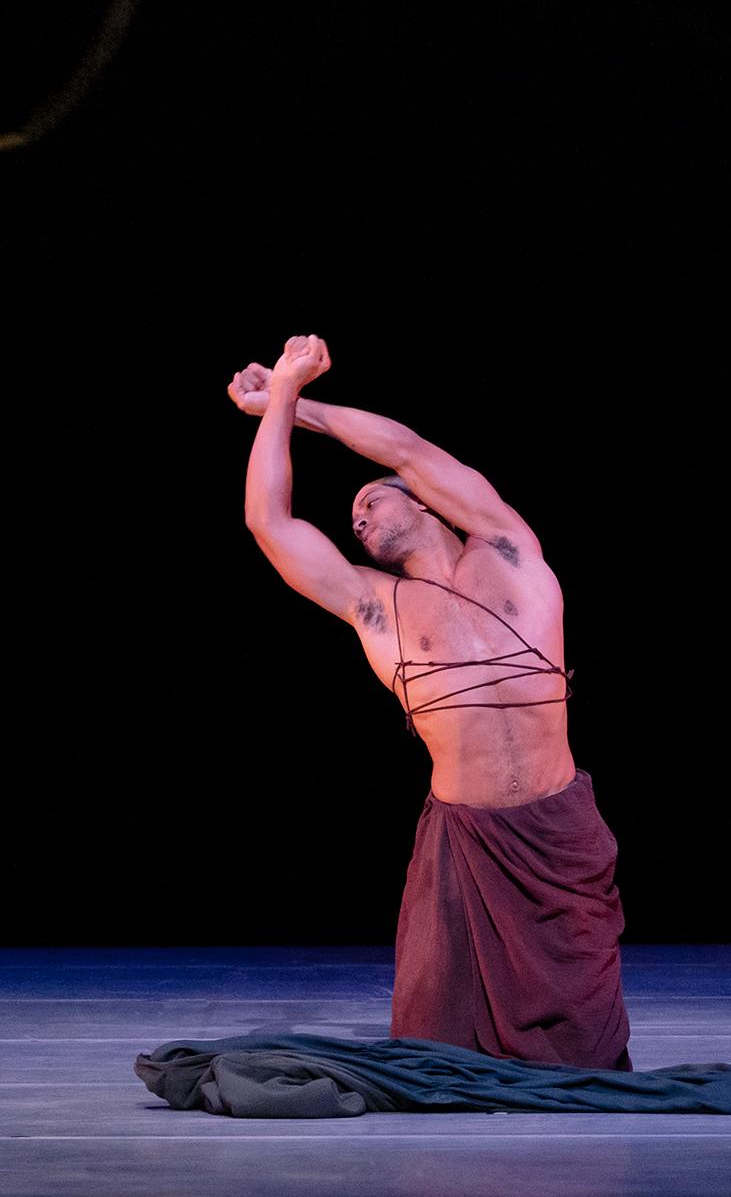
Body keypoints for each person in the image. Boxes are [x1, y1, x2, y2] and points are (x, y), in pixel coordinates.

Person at [232, 332, 631, 1071]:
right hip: (466, 848)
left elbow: (406, 449)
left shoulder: (509, 546)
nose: (356, 518)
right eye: (352, 515)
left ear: (421, 501)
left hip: (557, 836)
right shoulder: (373, 604)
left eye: (369, 499)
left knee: (587, 1062)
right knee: (438, 1057)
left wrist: (300, 401)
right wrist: (279, 398)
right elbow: (270, 522)